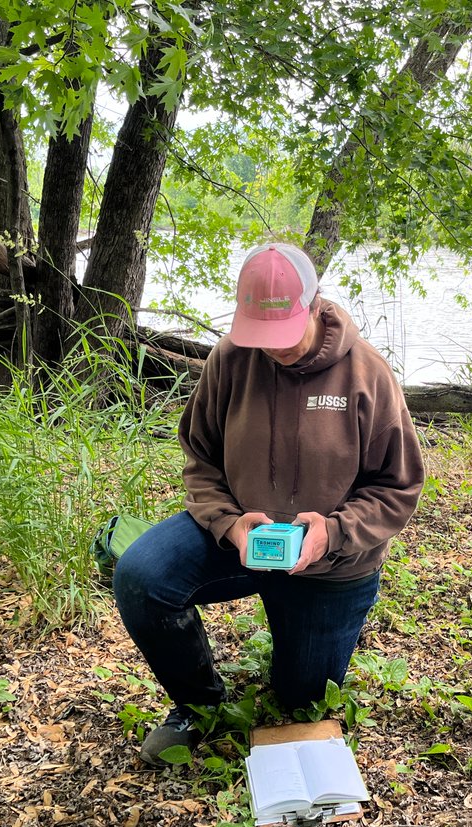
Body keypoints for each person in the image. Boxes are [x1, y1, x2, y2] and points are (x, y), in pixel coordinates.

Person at [113, 243, 425, 766]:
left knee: (301, 703)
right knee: (142, 577)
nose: (273, 349)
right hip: (241, 542)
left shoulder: (367, 374)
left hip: (331, 565)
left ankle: (306, 644)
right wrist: (230, 525)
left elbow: (398, 485)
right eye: (261, 336)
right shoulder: (232, 360)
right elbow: (201, 458)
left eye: (283, 335)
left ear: (314, 304)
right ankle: (198, 703)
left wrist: (335, 530)